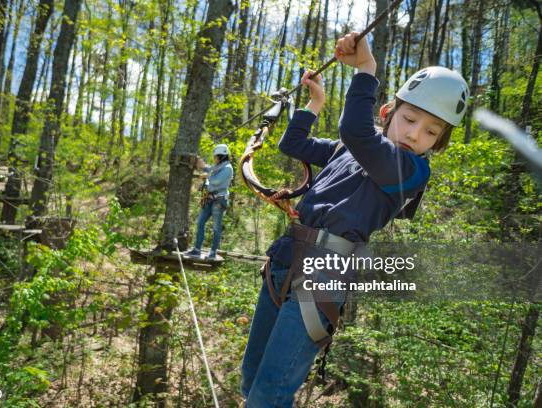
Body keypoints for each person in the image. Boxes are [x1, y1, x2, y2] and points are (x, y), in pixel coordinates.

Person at [240, 31, 469, 406]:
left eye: (431, 132)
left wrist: (366, 68)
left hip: (324, 276)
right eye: (409, 119)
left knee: (268, 395)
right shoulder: (348, 150)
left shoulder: (410, 171)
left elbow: (357, 132)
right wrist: (314, 104)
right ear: (387, 113)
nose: (415, 135)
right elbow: (292, 145)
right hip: (284, 259)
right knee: (251, 382)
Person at [186, 144, 234, 260]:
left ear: (222, 156)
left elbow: (216, 181)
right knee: (200, 222)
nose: (214, 159)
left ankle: (213, 252)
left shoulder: (228, 168)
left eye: (216, 156)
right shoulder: (219, 166)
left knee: (216, 227)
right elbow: (210, 169)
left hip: (219, 200)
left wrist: (206, 177)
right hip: (210, 199)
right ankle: (197, 249)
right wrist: (201, 164)